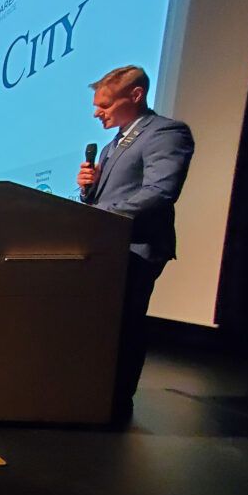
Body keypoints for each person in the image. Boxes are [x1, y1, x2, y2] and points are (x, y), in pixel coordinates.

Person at [77, 65, 194, 422]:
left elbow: (160, 192)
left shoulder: (166, 133)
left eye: (105, 104)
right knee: (99, 323)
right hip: (109, 245)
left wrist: (103, 213)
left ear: (136, 95)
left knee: (126, 323)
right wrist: (87, 190)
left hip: (138, 248)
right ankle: (93, 392)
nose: (97, 112)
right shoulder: (115, 143)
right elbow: (107, 197)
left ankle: (117, 402)